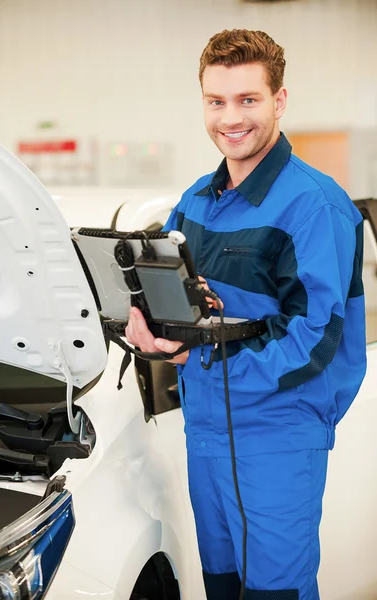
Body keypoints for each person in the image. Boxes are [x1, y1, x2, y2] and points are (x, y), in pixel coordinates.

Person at [125, 29, 366, 600]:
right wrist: (142, 325)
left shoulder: (314, 204)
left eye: (248, 100)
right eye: (216, 101)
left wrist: (205, 360)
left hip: (276, 439)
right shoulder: (195, 202)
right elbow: (157, 293)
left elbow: (315, 339)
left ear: (280, 100)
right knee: (222, 587)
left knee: (273, 595)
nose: (230, 118)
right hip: (205, 435)